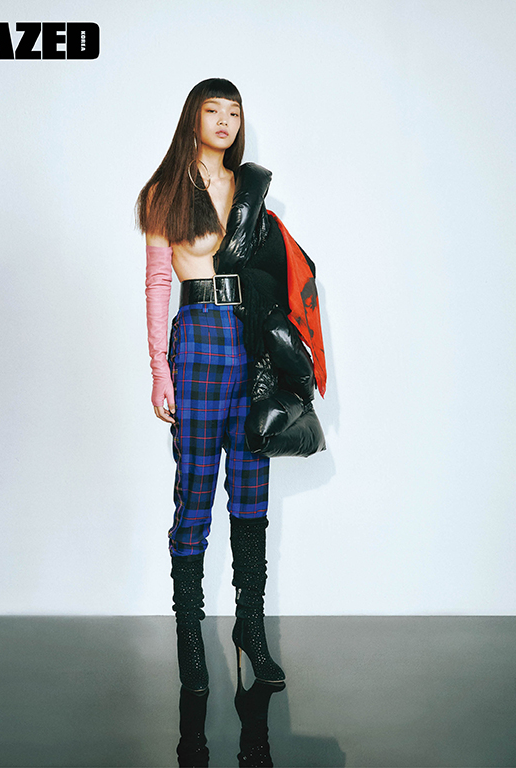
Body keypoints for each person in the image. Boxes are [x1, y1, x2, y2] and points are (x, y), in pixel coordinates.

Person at [136, 78, 326, 694]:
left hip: (250, 343)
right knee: (194, 490)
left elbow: (283, 273)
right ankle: (190, 639)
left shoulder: (251, 193)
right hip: (197, 340)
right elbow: (157, 284)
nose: (224, 120)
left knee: (250, 490)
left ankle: (250, 629)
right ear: (192, 118)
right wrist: (159, 369)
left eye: (234, 113)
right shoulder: (165, 192)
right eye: (213, 110)